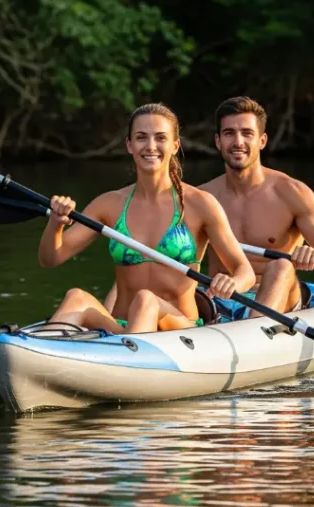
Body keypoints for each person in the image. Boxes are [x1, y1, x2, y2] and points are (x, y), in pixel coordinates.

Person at [38, 103, 255, 334]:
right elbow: (50, 258)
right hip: (121, 327)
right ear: (129, 145)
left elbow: (245, 272)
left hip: (180, 329)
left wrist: (232, 283)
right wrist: (56, 223)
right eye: (141, 138)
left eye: (160, 138)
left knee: (145, 300)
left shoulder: (200, 204)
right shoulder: (109, 204)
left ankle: (126, 359)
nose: (151, 146)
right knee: (76, 297)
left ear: (175, 145)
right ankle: (36, 356)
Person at [197, 96, 314, 317]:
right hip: (223, 300)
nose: (238, 142)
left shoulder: (291, 193)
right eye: (229, 133)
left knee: (280, 266)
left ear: (262, 141)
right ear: (218, 141)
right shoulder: (202, 198)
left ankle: (255, 330)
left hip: (281, 299)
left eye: (247, 133)